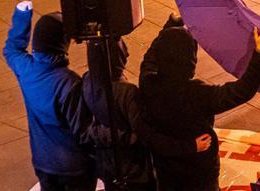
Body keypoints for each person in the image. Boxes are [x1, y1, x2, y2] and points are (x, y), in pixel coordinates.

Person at [139, 16, 260, 190]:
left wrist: (170, 26)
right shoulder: (198, 94)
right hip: (200, 173)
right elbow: (241, 91)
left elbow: (150, 57)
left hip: (166, 170)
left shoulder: (148, 83)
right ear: (191, 60)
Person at [82, 38, 212, 190]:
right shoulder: (126, 93)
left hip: (107, 164)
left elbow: (87, 126)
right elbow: (148, 136)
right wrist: (189, 146)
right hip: (135, 170)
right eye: (122, 51)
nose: (128, 54)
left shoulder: (88, 81)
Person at [3, 1, 97, 191]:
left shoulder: (26, 69)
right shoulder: (68, 82)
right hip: (74, 167)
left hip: (44, 161)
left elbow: (12, 50)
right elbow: (82, 130)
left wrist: (22, 16)